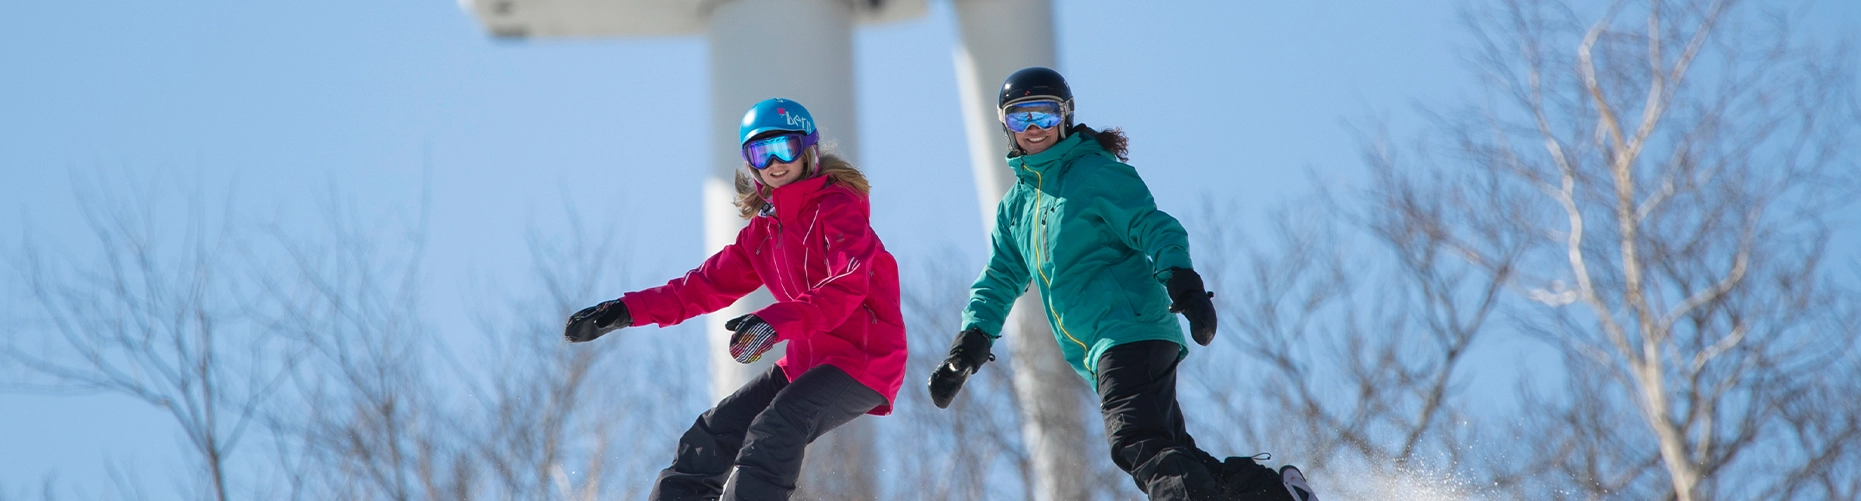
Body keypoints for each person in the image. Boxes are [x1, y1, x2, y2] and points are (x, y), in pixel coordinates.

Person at [925, 67, 1320, 501]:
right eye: (1021, 117)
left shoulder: (1092, 173)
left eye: (1044, 114)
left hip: (1128, 330)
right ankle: (1273, 494)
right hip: (1105, 348)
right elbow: (999, 279)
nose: (1034, 128)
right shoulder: (1014, 209)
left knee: (1135, 440)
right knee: (1169, 449)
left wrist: (1184, 283)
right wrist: (967, 348)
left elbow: (1154, 227)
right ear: (1006, 126)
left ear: (1065, 117)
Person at [563, 98, 906, 501]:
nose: (776, 162)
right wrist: (625, 311)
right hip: (805, 362)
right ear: (751, 164)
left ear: (809, 150)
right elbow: (700, 287)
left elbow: (847, 284)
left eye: (786, 148)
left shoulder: (837, 209)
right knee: (712, 432)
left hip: (863, 360)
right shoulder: (762, 235)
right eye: (763, 153)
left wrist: (774, 322)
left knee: (777, 425)